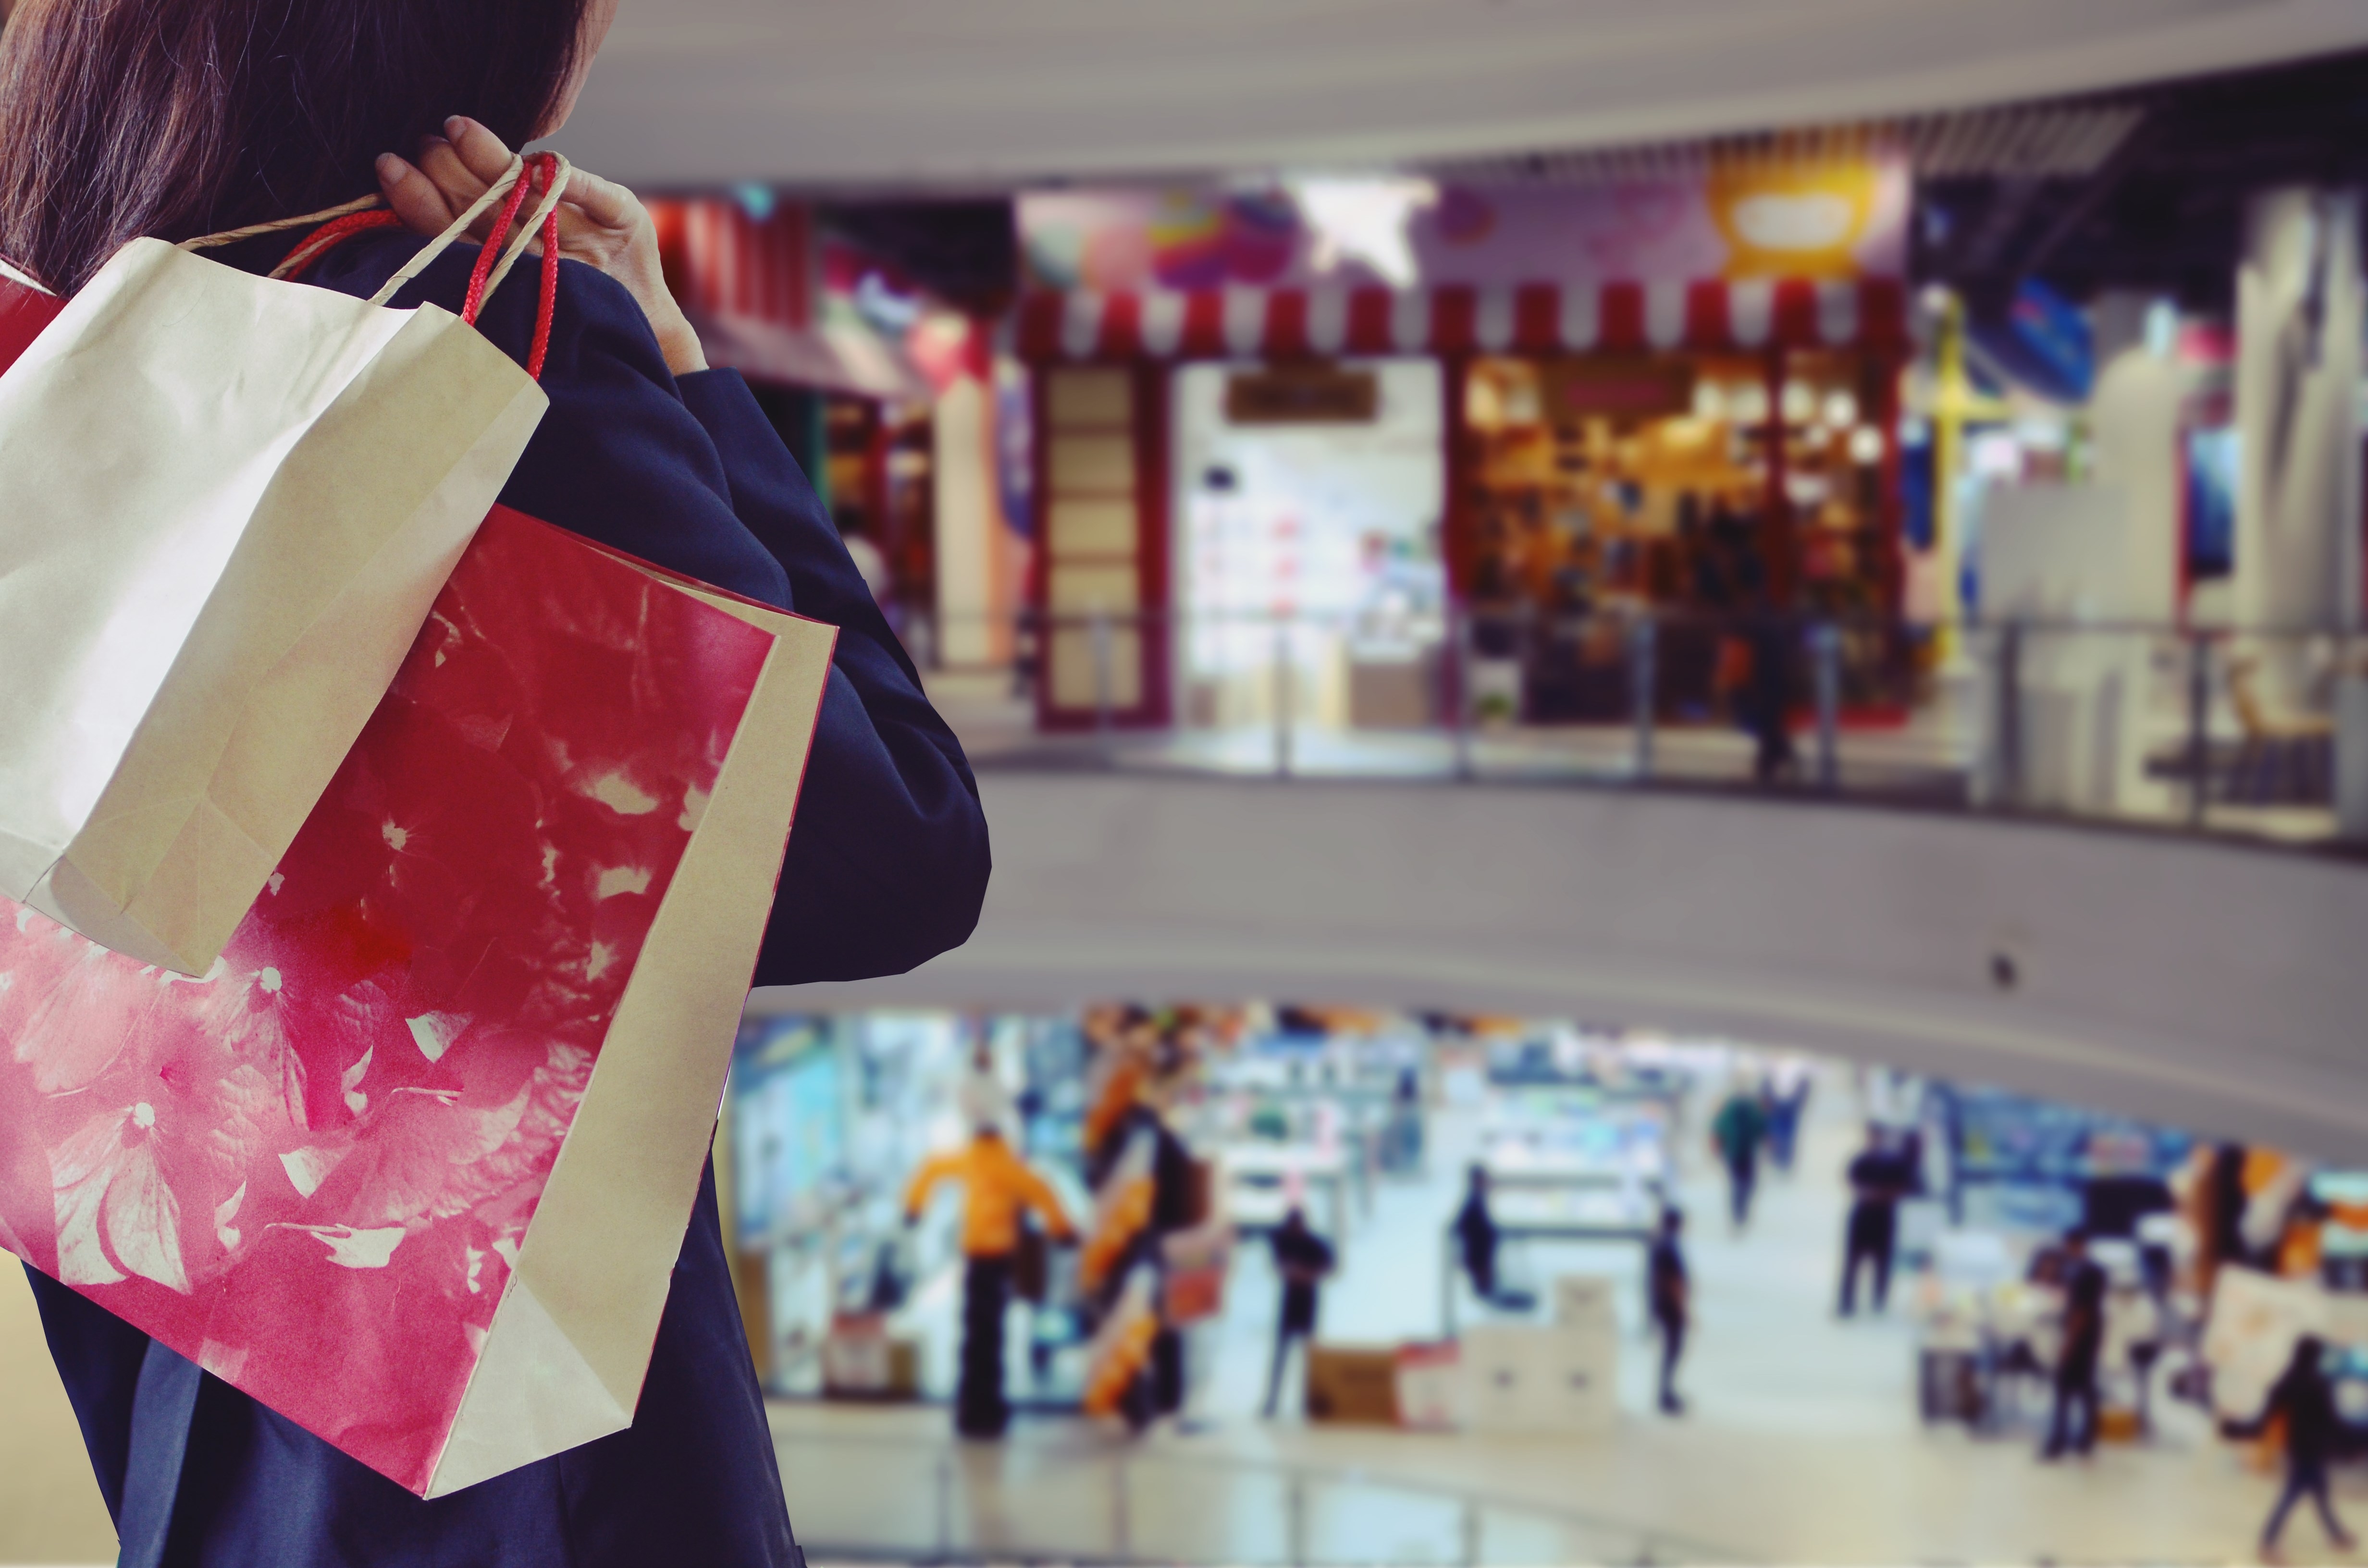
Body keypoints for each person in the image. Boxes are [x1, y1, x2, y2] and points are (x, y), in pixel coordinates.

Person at [0, 5, 991, 1563]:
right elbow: (898, 850)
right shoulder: (487, 342)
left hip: (186, 1409)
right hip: (501, 1462)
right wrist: (673, 362)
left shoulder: (70, 361)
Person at [905, 1127, 1076, 1439]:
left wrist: (914, 1208)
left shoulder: (967, 1159)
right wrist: (1063, 1230)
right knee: (993, 1336)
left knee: (973, 1336)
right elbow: (1042, 1192)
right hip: (998, 1261)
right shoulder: (1010, 1166)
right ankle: (990, 1410)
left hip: (975, 1257)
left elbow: (929, 1169)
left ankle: (971, 1411)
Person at [2247, 1335, 2357, 1562]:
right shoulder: (2320, 1383)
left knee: (2320, 1493)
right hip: (2314, 1448)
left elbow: (2269, 1412)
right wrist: (2350, 1440)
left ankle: (2337, 1535)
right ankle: (2268, 1543)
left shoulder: (2289, 1379)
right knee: (2293, 1494)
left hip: (2297, 1446)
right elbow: (2332, 1419)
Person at [1262, 1206, 1337, 1418]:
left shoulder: (1315, 1243)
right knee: (1281, 1354)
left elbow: (1329, 1267)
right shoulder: (1283, 1241)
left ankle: (1309, 1402)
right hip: (1289, 1301)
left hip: (1308, 1301)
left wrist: (1307, 1274)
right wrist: (1289, 1272)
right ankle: (1272, 1401)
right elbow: (1277, 1264)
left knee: (1309, 1356)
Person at [2040, 1231, 2109, 1460]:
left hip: (2080, 1335)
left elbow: (2082, 1311)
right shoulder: (2087, 1270)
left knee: (2066, 1386)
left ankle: (2060, 1440)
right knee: (2085, 1386)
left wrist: (2070, 1342)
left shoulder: (2085, 1273)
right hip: (2088, 1334)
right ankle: (2084, 1439)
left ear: (2075, 1245)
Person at [1838, 1129, 1911, 1316]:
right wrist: (1865, 1193)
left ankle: (1879, 1298)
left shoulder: (1894, 1162)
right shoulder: (1861, 1160)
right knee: (1853, 1261)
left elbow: (1904, 1186)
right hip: (1863, 1215)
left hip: (1884, 1216)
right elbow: (1850, 1180)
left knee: (1883, 1262)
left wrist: (1883, 1195)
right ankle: (1847, 1302)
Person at [1646, 1207, 1690, 1415]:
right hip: (1670, 1308)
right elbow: (1673, 1282)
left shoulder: (1659, 1242)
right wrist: (1682, 1308)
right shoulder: (1669, 1246)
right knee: (1673, 1351)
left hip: (1662, 1305)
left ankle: (1667, 1392)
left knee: (1671, 1352)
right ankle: (1666, 1395)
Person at [1710, 1084, 1769, 1230]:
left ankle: (1739, 1213)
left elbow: (1762, 1128)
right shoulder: (1738, 1110)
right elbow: (1718, 1129)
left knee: (1742, 1184)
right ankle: (1739, 1214)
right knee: (1743, 1184)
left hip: (1740, 1152)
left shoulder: (1750, 1110)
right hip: (1737, 1152)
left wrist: (1716, 1146)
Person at [1455, 1164, 1500, 1303]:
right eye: (1485, 1179)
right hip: (1478, 1257)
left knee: (1485, 1292)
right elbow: (1462, 1227)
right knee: (1484, 1296)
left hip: (1479, 1258)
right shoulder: (1474, 1202)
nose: (1489, 1183)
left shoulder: (1478, 1199)